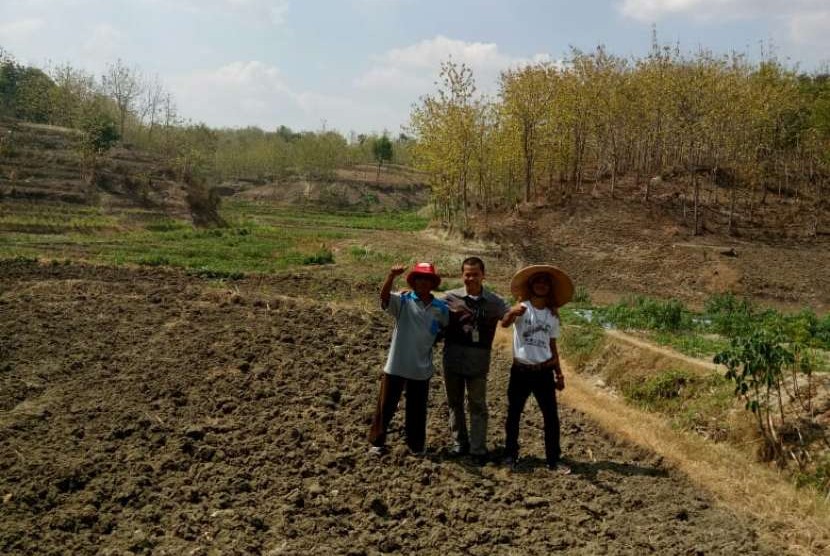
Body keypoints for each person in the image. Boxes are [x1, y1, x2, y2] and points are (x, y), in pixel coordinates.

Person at [499, 264, 574, 474]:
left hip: (544, 372)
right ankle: (510, 455)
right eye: (537, 281)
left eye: (545, 282)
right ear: (531, 285)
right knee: (514, 414)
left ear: (549, 288)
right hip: (521, 370)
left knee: (551, 417)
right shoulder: (522, 308)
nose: (541, 285)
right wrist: (511, 313)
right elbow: (504, 324)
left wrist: (559, 373)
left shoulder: (552, 316)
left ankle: (553, 460)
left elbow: (552, 346)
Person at [368, 262, 449, 456]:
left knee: (417, 410)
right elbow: (384, 297)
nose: (423, 282)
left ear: (432, 283)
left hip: (421, 368)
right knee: (385, 406)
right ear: (413, 282)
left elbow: (443, 329)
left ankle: (416, 446)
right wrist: (391, 276)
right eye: (419, 279)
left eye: (427, 279)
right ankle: (377, 443)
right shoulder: (403, 301)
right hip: (396, 364)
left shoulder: (440, 308)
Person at [441, 257, 510, 464]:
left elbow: (508, 317)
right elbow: (428, 305)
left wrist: (519, 311)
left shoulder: (494, 302)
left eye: (475, 274)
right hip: (452, 358)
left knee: (477, 404)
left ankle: (478, 449)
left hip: (479, 361)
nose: (471, 278)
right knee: (454, 403)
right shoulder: (449, 297)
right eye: (467, 274)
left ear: (483, 275)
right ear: (462, 275)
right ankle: (459, 444)